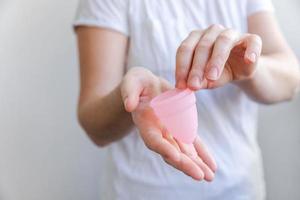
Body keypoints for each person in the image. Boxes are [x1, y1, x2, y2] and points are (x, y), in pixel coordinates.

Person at [73, 0, 300, 199]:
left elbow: (290, 79)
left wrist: (249, 70)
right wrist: (129, 97)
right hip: (142, 192)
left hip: (240, 190)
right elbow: (95, 127)